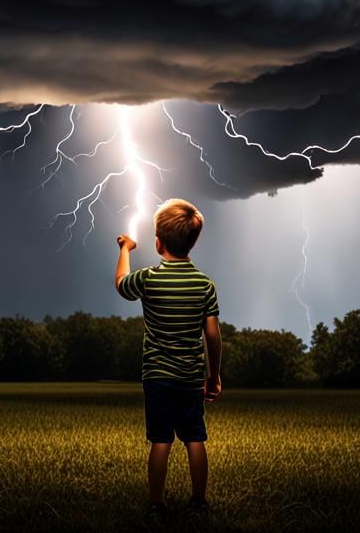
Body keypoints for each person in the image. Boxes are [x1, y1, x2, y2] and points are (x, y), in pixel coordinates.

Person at [115, 198, 222, 517]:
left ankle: (156, 503)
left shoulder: (148, 278)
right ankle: (200, 501)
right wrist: (213, 376)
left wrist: (125, 249)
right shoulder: (204, 285)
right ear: (193, 242)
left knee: (160, 440)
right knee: (195, 438)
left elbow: (121, 284)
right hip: (190, 378)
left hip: (157, 377)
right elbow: (213, 336)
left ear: (158, 242)